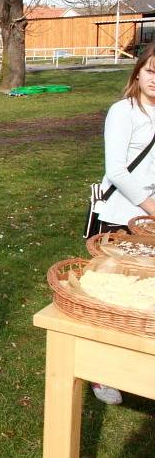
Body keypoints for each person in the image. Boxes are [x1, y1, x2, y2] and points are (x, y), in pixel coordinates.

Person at [91, 41, 155, 406]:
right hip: (119, 217)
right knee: (107, 294)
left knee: (141, 297)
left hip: (148, 220)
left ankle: (133, 362)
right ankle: (101, 372)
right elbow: (117, 169)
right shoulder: (122, 111)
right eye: (150, 71)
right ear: (138, 72)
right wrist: (150, 207)